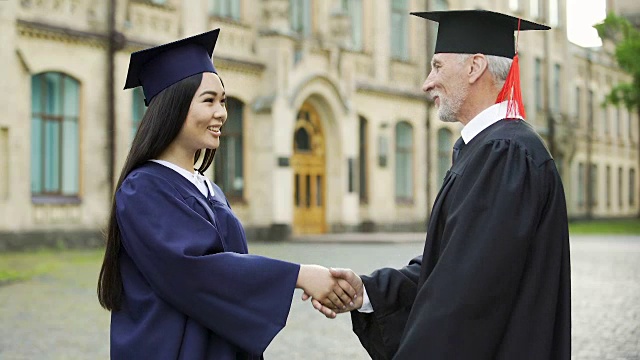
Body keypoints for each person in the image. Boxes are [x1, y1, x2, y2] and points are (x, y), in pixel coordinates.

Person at [311, 10, 572, 360]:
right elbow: (449, 265)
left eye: (436, 66)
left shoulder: (504, 155)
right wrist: (370, 291)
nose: (427, 82)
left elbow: (465, 298)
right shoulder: (489, 149)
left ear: (474, 67)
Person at [96, 29, 358, 360]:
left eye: (223, 101)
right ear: (173, 107)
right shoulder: (143, 190)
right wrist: (299, 275)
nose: (222, 112)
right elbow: (195, 271)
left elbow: (233, 270)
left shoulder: (208, 188)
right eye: (209, 101)